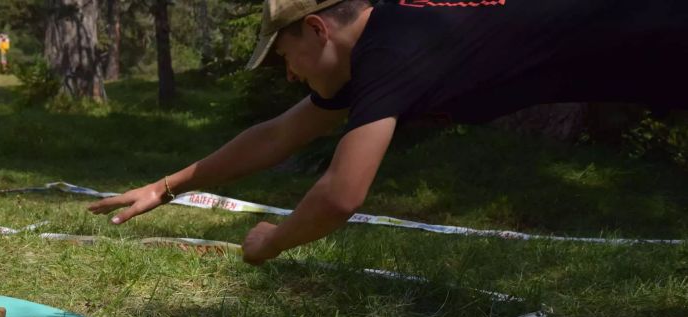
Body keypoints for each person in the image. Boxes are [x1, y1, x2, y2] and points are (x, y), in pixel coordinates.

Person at [89, 0, 688, 265]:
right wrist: (166, 186)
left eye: (286, 56)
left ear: (319, 30)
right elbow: (276, 135)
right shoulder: (378, 42)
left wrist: (270, 241)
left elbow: (341, 196)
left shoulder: (392, 52)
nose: (289, 72)